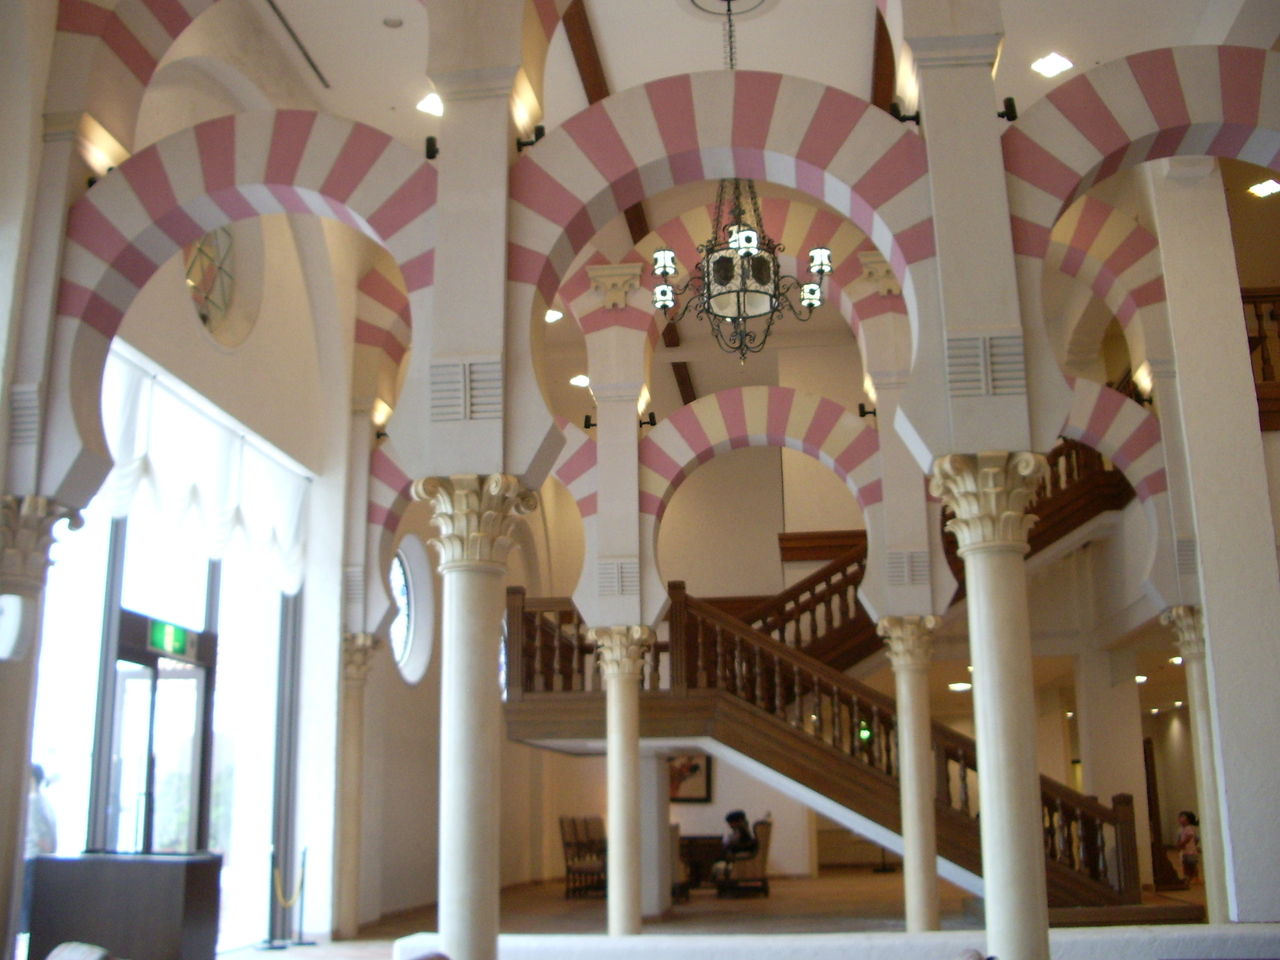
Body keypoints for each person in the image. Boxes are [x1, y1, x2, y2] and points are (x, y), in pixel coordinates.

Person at [22, 764, 57, 932]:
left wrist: (44, 846)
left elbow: (37, 834)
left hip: (31, 857)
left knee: (26, 905)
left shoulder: (33, 801)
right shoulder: (44, 801)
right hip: (40, 858)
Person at [710, 810, 757, 880]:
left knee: (714, 856)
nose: (730, 826)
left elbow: (740, 845)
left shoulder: (743, 832)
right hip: (736, 853)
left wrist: (729, 845)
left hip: (738, 855)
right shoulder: (742, 831)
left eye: (731, 823)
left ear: (738, 822)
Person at [1177, 810, 1200, 884]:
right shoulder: (1181, 829)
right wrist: (1178, 844)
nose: (1180, 819)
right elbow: (1179, 837)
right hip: (1184, 850)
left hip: (1190, 850)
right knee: (1185, 864)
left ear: (1188, 820)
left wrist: (1182, 843)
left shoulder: (1189, 828)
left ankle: (1196, 877)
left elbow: (1189, 837)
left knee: (1192, 864)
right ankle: (1187, 876)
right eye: (1180, 817)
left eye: (1182, 817)